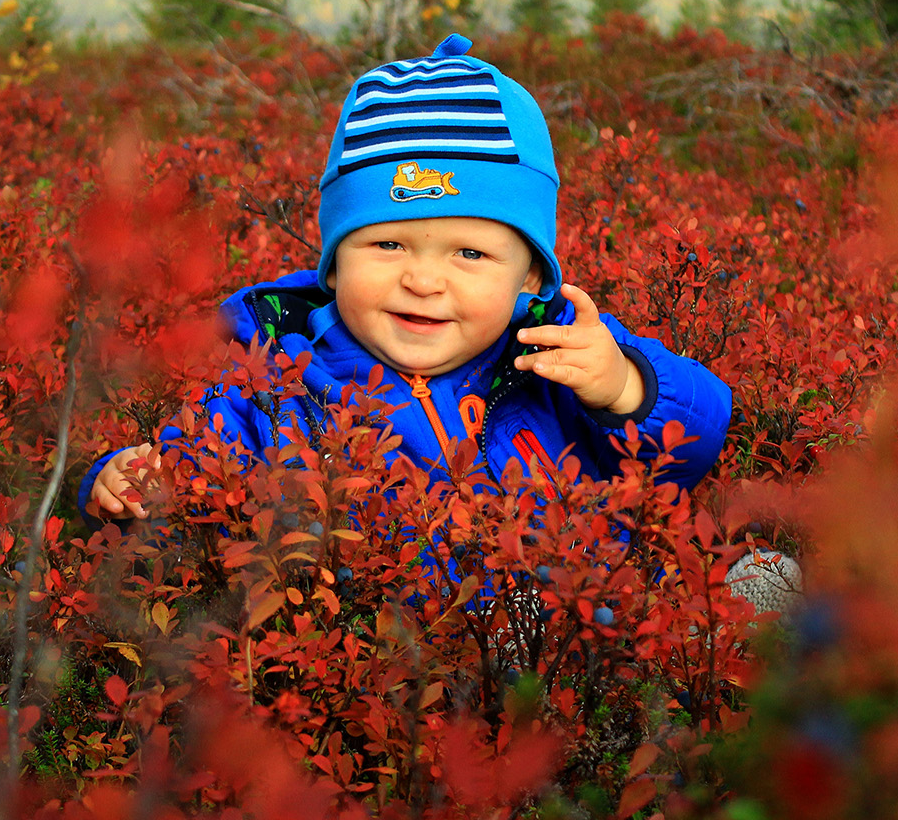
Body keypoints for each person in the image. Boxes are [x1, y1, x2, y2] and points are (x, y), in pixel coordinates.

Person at [79, 33, 732, 523]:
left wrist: (623, 387)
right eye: (387, 243)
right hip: (371, 669)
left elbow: (694, 451)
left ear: (531, 273)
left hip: (563, 641)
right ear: (334, 264)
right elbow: (193, 477)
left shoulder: (560, 357)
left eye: (469, 254)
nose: (423, 280)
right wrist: (117, 480)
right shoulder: (279, 375)